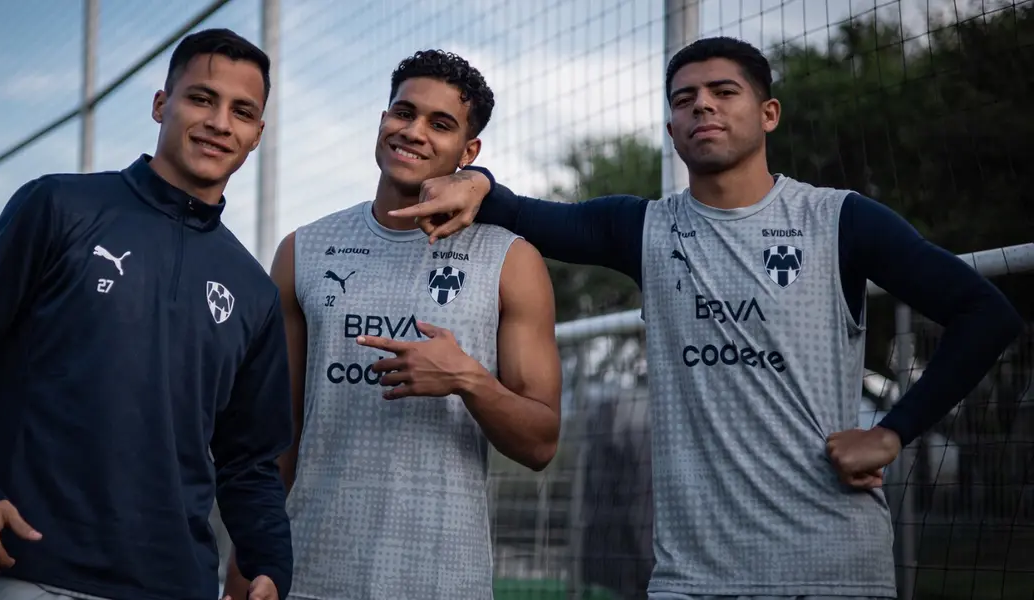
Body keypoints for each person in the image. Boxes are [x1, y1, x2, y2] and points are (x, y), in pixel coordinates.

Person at [389, 36, 1024, 599]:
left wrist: (893, 431)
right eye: (684, 98)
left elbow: (983, 314)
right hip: (692, 577)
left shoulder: (839, 220)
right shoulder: (642, 229)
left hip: (831, 567)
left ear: (768, 113)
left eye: (724, 91)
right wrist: (476, 179)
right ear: (671, 129)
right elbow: (520, 211)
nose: (703, 106)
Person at [0, 28, 293, 600]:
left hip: (176, 582)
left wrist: (269, 561)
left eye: (242, 111)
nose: (221, 122)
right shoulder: (57, 206)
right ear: (161, 104)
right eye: (201, 98)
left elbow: (249, 459)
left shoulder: (253, 289)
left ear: (256, 134)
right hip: (34, 569)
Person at [223, 49, 563, 600]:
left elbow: (541, 444)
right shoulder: (303, 250)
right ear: (383, 120)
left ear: (468, 151)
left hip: (442, 580)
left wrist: (468, 379)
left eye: (441, 123)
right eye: (403, 112)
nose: (414, 132)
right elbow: (273, 439)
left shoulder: (512, 260)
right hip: (308, 575)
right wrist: (243, 573)